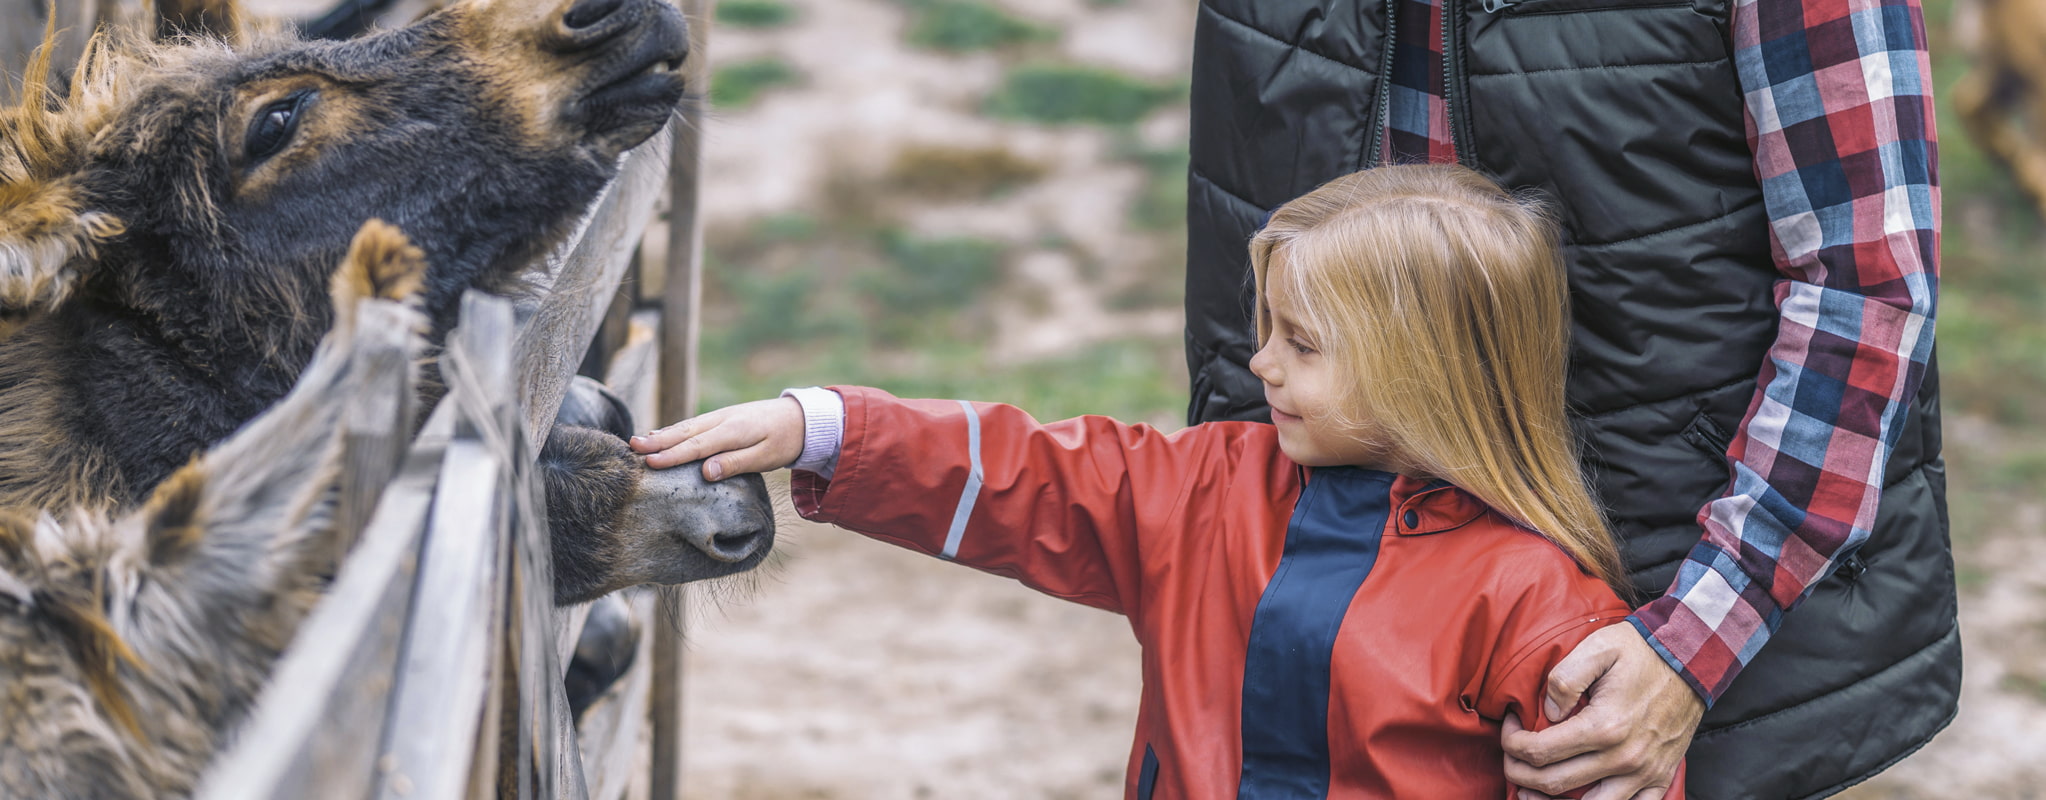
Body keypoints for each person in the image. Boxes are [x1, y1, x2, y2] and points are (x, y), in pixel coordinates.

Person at [633, 164, 1684, 799]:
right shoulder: (1214, 487)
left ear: (1422, 372)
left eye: (1301, 344)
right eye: (1267, 328)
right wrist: (823, 428)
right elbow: (1029, 476)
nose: (1261, 362)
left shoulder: (1534, 599)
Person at [1178, 0, 1953, 797]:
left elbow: (1864, 293)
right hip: (1305, 574)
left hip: (1651, 590)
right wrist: (1239, 534)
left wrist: (1695, 640)